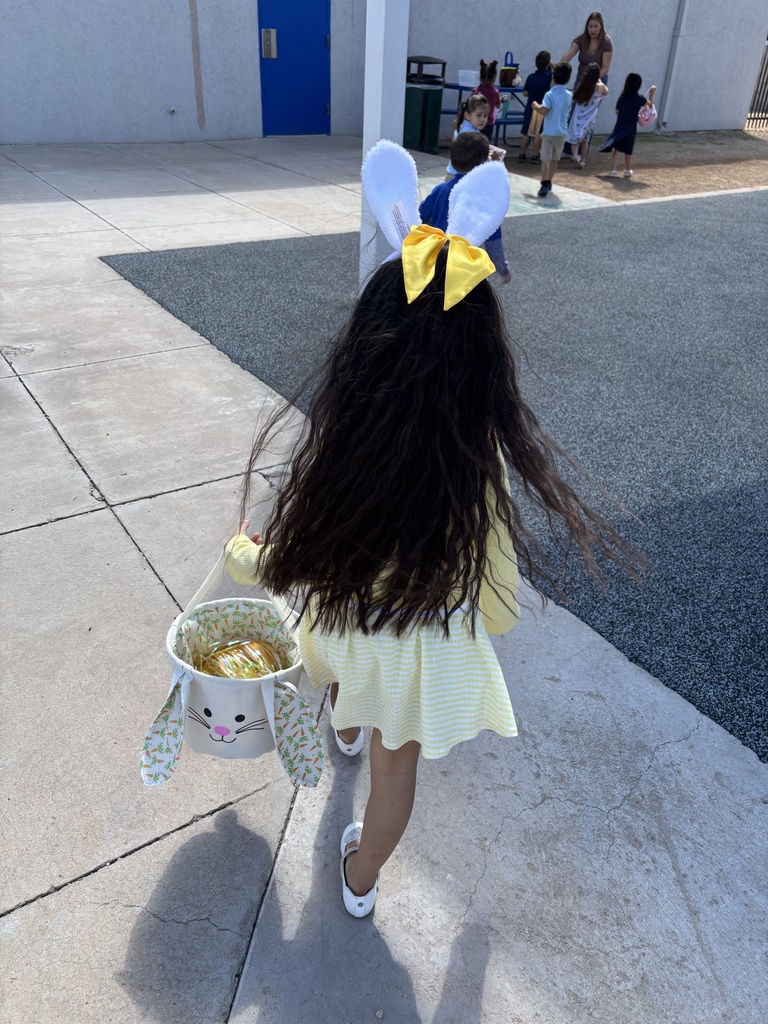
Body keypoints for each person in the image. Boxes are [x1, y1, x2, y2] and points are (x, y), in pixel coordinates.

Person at [223, 141, 639, 918]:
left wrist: (242, 554)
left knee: (349, 658)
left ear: (364, 353)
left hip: (351, 627)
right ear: (483, 365)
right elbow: (499, 593)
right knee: (395, 771)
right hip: (421, 645)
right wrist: (484, 619)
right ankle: (361, 877)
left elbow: (289, 562)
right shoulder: (476, 465)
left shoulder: (348, 445)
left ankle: (345, 723)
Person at [421, 132, 511, 284]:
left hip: (434, 260)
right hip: (465, 268)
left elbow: (420, 218)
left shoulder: (441, 190)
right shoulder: (484, 200)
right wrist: (503, 269)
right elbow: (493, 242)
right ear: (483, 165)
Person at [599, 73, 657, 178]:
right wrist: (652, 93)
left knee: (617, 149)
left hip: (620, 127)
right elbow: (650, 105)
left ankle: (613, 170)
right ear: (638, 85)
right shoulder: (639, 98)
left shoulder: (622, 98)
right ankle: (627, 170)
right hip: (631, 128)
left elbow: (617, 111)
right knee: (628, 150)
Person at [532, 61, 572, 197]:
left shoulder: (549, 95)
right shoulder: (569, 95)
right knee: (555, 159)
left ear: (553, 78)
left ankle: (545, 182)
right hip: (561, 132)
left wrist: (535, 106)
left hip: (549, 132)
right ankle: (549, 180)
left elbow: (544, 110)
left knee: (545, 158)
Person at [565, 62, 608, 167]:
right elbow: (606, 92)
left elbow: (574, 99)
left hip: (579, 116)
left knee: (575, 137)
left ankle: (575, 155)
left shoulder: (583, 85)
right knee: (585, 140)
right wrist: (600, 81)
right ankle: (583, 160)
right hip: (590, 118)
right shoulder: (600, 87)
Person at [518, 50, 553, 163]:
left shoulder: (531, 77)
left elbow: (525, 93)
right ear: (548, 64)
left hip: (530, 107)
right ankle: (535, 154)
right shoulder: (549, 77)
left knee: (526, 132)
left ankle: (522, 154)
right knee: (539, 132)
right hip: (543, 108)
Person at [559, 11, 613, 85]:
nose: (592, 30)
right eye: (590, 26)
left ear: (601, 26)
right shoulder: (581, 39)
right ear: (587, 27)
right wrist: (558, 67)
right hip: (581, 77)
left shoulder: (606, 42)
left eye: (595, 26)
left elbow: (605, 68)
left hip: (598, 79)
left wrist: (593, 80)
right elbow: (569, 54)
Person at [445, 93, 492, 177]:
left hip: (456, 173)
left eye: (485, 116)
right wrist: (491, 159)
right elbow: (474, 158)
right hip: (459, 176)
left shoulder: (464, 126)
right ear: (467, 115)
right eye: (479, 115)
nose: (482, 119)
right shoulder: (469, 134)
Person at [471, 59, 501, 140]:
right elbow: (498, 106)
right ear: (494, 78)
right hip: (488, 122)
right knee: (485, 144)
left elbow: (469, 104)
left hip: (475, 122)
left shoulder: (475, 91)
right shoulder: (495, 92)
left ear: (480, 77)